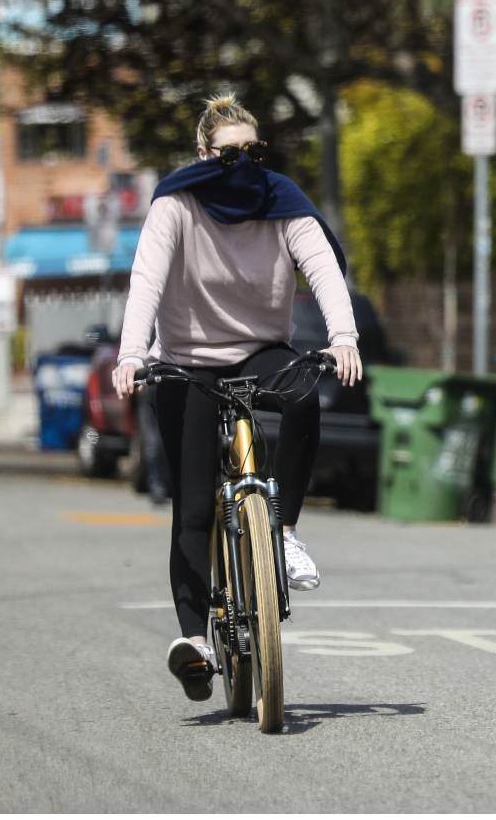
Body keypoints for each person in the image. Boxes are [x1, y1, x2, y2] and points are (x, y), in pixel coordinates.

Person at [112, 93, 363, 700]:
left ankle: (286, 532)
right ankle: (196, 640)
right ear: (204, 153)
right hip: (188, 361)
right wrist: (131, 352)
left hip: (258, 350)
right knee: (194, 509)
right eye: (229, 153)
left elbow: (323, 265)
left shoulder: (283, 203)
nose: (243, 164)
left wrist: (343, 337)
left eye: (254, 151)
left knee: (304, 396)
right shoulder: (177, 203)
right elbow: (147, 277)